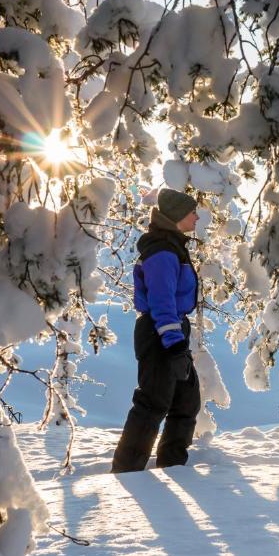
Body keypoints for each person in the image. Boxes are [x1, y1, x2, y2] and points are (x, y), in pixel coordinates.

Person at [111, 188, 201, 473]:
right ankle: (126, 472)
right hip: (161, 332)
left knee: (186, 400)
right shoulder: (162, 252)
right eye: (191, 212)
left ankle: (173, 466)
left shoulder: (172, 245)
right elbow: (162, 302)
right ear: (176, 216)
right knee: (153, 403)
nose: (197, 216)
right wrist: (174, 345)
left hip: (172, 331)